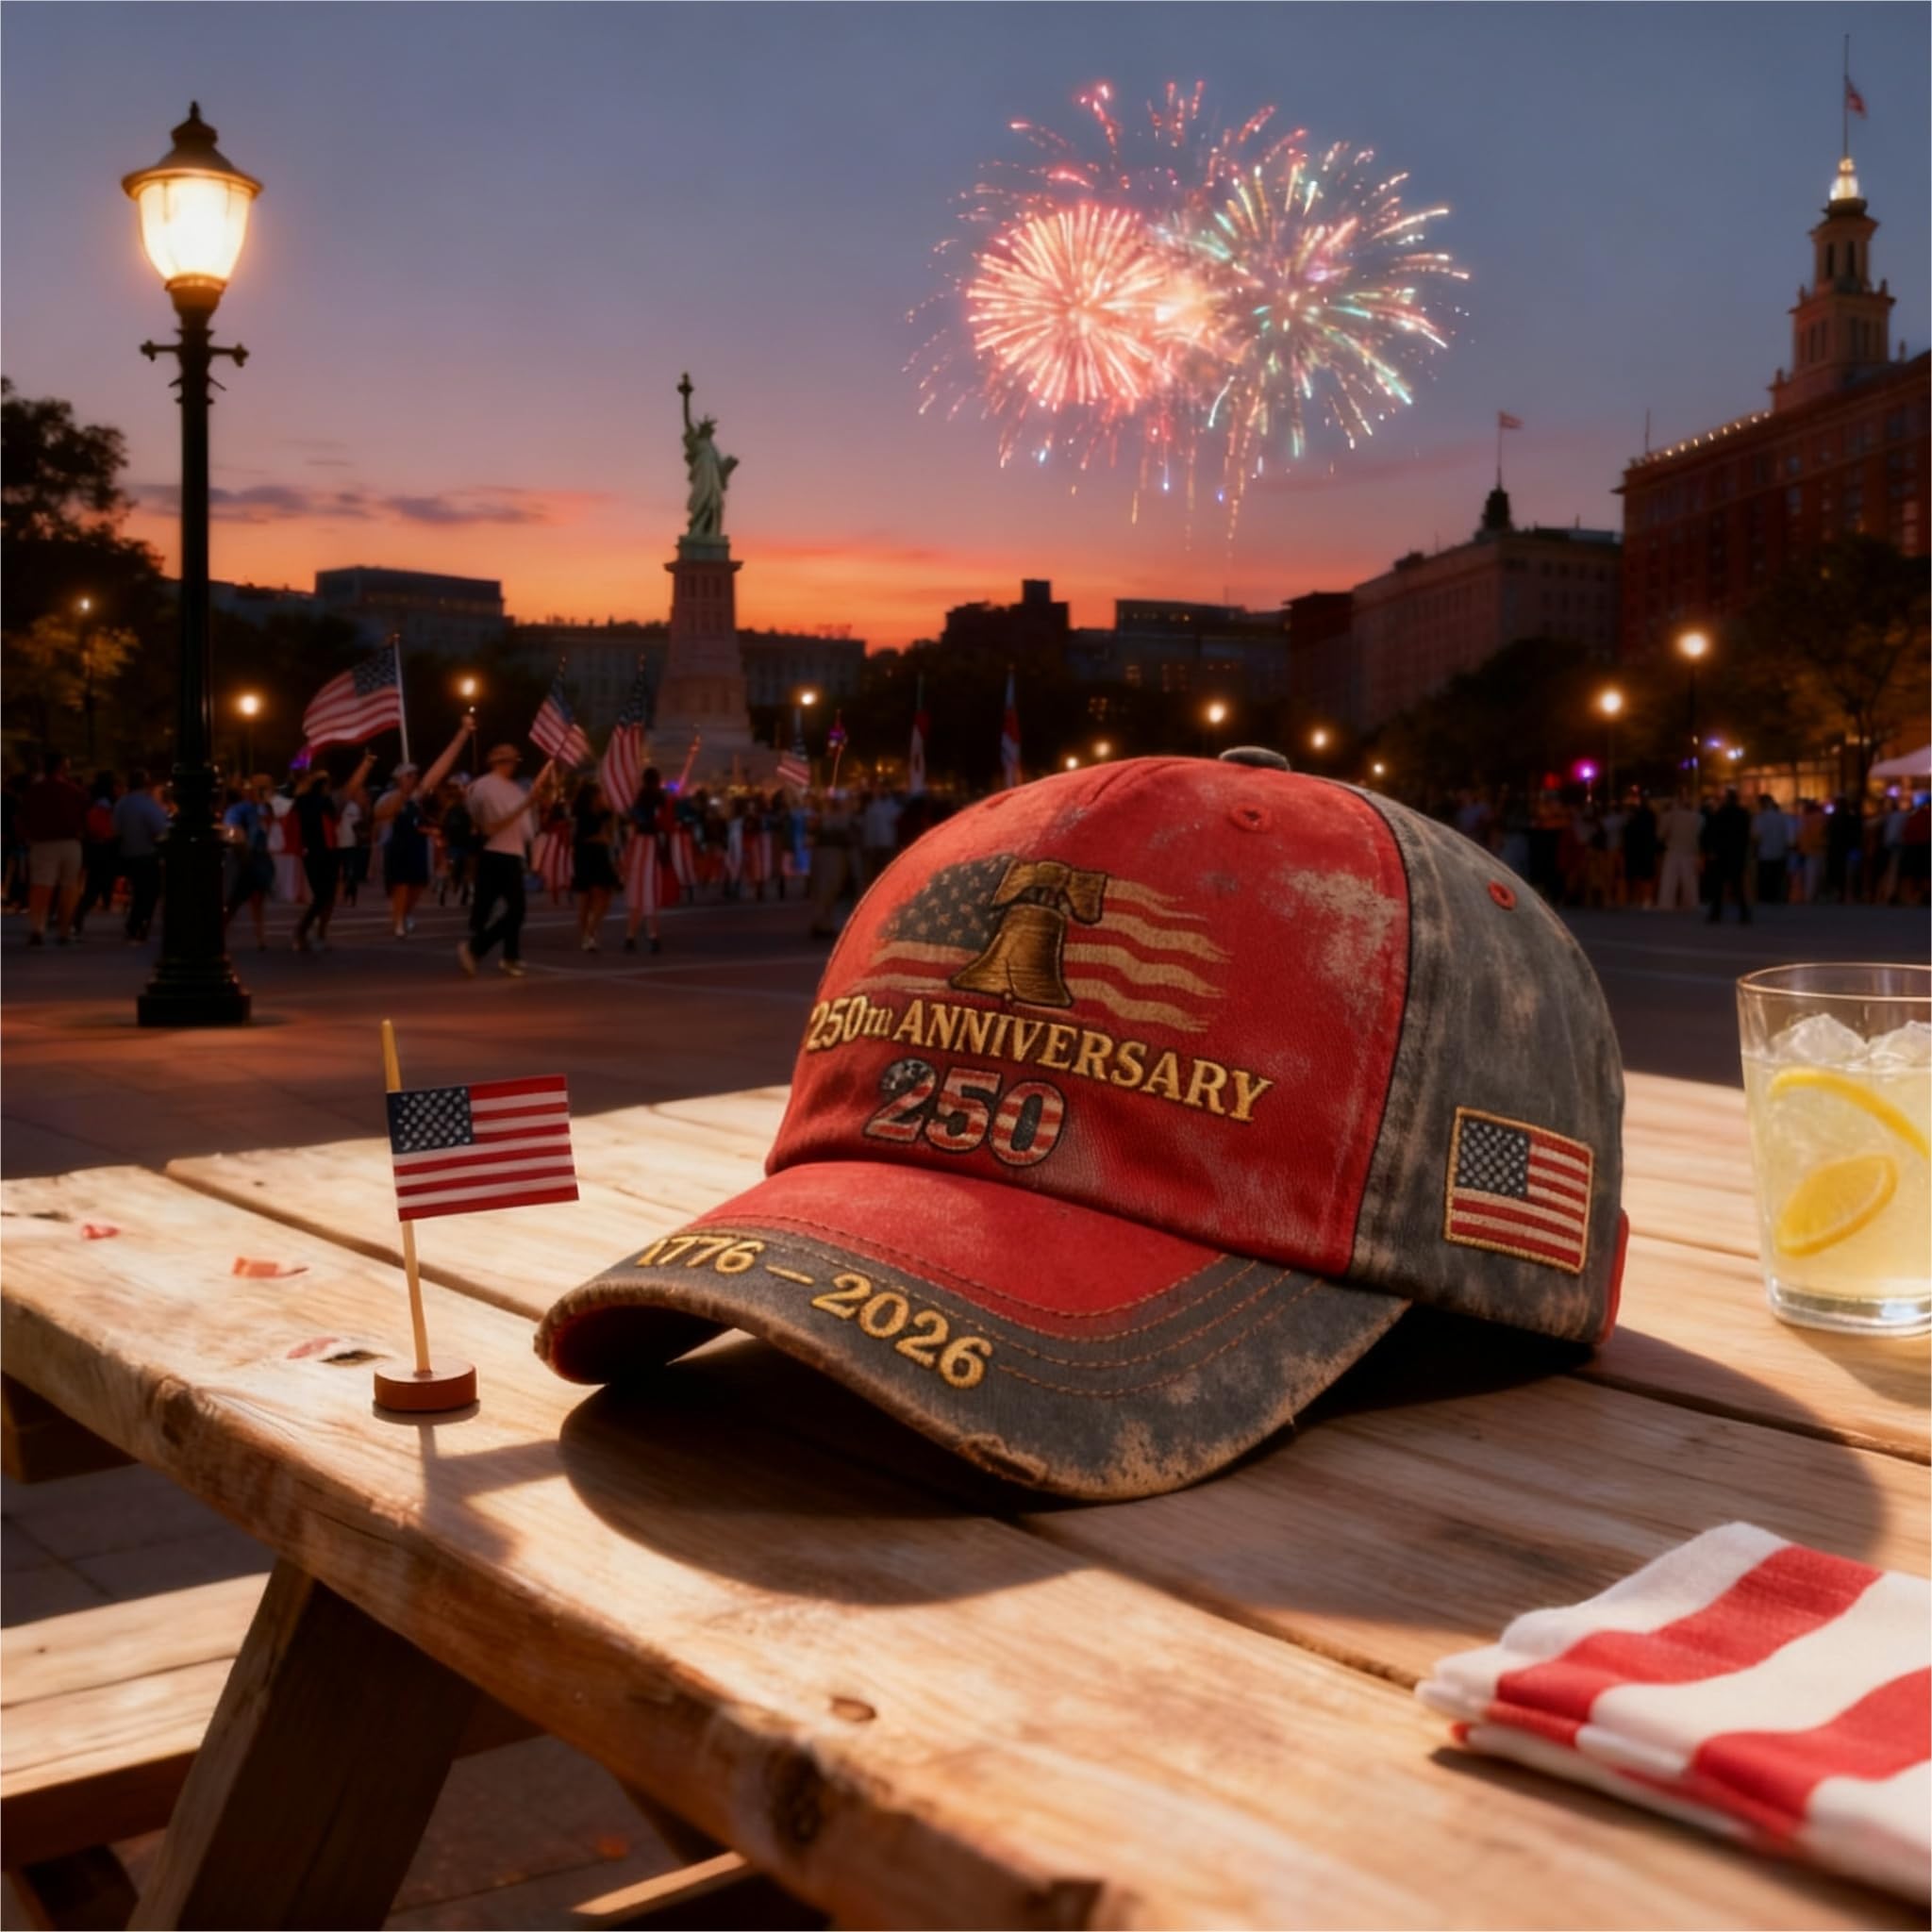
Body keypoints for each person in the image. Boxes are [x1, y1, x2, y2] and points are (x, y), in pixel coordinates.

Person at [459, 742, 557, 978]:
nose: (512, 763)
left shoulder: (513, 788)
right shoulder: (483, 787)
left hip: (513, 854)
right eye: (508, 758)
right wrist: (525, 804)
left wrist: (535, 804)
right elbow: (489, 827)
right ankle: (475, 948)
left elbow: (526, 828)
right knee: (512, 910)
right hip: (495, 853)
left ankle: (510, 955)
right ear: (496, 761)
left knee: (514, 909)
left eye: (514, 759)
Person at [374, 723, 471, 940]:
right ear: (398, 779)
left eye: (414, 775)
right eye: (408, 776)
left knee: (417, 886)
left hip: (417, 846)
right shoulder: (388, 798)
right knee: (401, 886)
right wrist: (402, 795)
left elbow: (440, 768)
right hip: (397, 846)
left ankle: (405, 914)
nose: (413, 779)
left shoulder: (418, 796)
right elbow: (381, 815)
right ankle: (398, 921)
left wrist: (461, 736)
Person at [291, 750, 375, 954]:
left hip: (311, 854)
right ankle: (306, 932)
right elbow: (351, 788)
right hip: (327, 853)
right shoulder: (327, 803)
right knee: (324, 896)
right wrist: (366, 764)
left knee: (324, 896)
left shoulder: (301, 802)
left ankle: (314, 933)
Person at [19, 750, 91, 946]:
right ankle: (64, 930)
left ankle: (37, 928)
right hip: (69, 841)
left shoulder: (35, 791)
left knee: (41, 886)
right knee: (69, 887)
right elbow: (84, 813)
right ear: (62, 766)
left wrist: (27, 835)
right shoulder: (73, 791)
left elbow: (24, 815)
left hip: (42, 843)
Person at [111, 768, 171, 943]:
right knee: (149, 892)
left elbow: (115, 828)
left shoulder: (122, 803)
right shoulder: (147, 804)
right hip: (146, 853)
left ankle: (135, 924)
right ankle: (138, 924)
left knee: (139, 891)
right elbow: (160, 828)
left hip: (127, 853)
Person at [222, 775, 276, 950]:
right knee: (234, 900)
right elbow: (232, 830)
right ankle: (219, 934)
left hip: (260, 857)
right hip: (244, 857)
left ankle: (260, 935)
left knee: (258, 897)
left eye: (266, 787)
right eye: (259, 788)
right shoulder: (240, 809)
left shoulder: (267, 808)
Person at [621, 767, 670, 955]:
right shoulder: (660, 798)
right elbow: (663, 823)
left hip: (639, 845)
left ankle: (630, 937)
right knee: (649, 892)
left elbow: (633, 822)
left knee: (636, 892)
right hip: (652, 846)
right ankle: (653, 936)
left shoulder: (639, 799)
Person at [74, 771, 123, 937]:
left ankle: (76, 917)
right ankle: (76, 918)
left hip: (94, 849)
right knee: (94, 888)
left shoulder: (92, 801)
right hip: (104, 849)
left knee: (92, 887)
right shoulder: (106, 805)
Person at [573, 776, 620, 951]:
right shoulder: (583, 814)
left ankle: (590, 932)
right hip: (587, 856)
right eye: (599, 795)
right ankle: (587, 936)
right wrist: (602, 839)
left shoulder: (602, 812)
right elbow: (581, 837)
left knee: (604, 896)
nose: (602, 797)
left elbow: (613, 823)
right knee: (587, 899)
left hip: (599, 856)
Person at [808, 788, 859, 938]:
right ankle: (820, 923)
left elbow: (851, 834)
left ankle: (826, 922)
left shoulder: (846, 816)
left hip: (838, 855)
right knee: (823, 889)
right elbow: (813, 833)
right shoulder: (821, 816)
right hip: (825, 855)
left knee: (833, 889)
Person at [1706, 788, 1752, 924]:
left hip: (1722, 854)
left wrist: (1713, 851)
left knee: (1718, 886)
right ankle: (1744, 914)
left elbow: (1713, 833)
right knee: (1737, 885)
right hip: (1737, 853)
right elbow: (1745, 835)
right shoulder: (1743, 814)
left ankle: (1715, 914)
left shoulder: (1720, 813)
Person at [1656, 792, 1703, 911]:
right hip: (1690, 850)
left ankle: (1666, 903)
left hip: (1673, 850)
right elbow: (1699, 833)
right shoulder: (1697, 817)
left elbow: (1660, 834)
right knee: (1690, 880)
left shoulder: (1669, 816)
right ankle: (1691, 902)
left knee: (1669, 879)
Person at [1751, 794, 1790, 906]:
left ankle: (1765, 900)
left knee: (1764, 881)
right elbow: (1787, 837)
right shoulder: (1782, 818)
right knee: (1776, 880)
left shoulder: (1759, 818)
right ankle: (1776, 899)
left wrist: (1755, 851)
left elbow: (1756, 837)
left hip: (1765, 854)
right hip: (1779, 853)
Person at [1622, 794, 1658, 909]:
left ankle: (1638, 899)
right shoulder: (1650, 816)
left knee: (1637, 875)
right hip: (1647, 848)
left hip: (1636, 848)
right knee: (1647, 875)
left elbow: (1628, 832)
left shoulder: (1633, 817)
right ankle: (1646, 899)